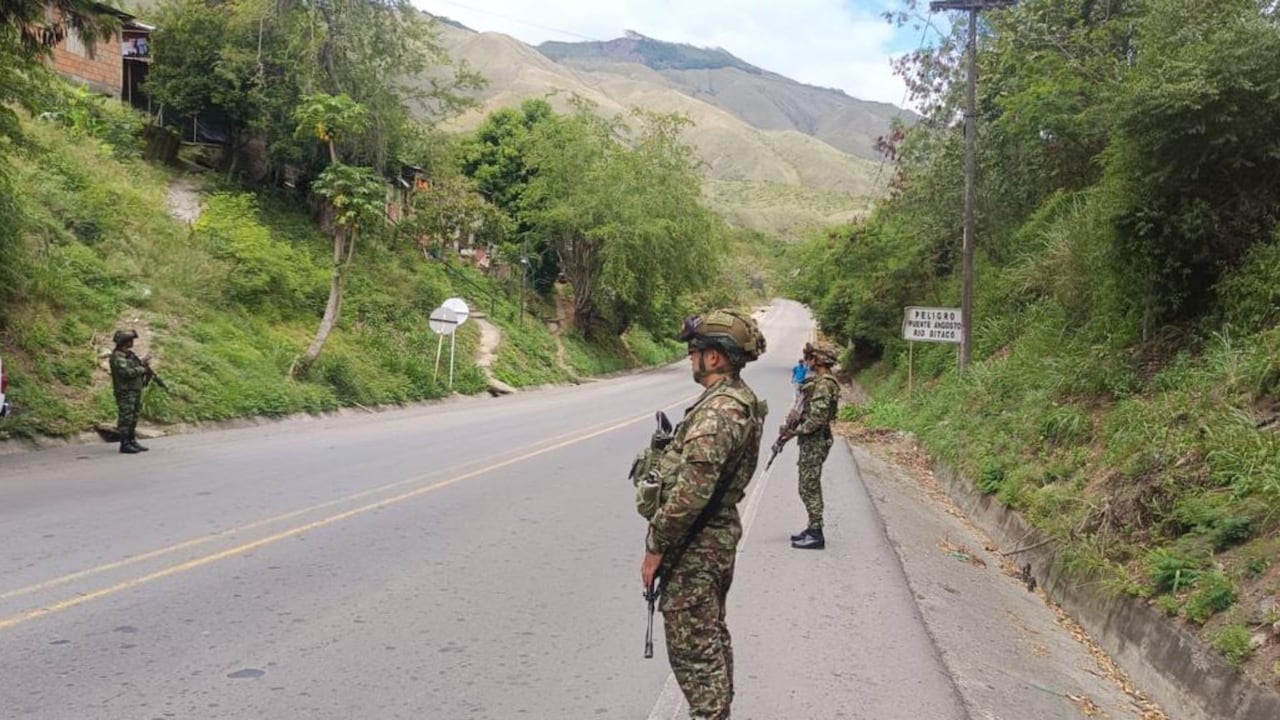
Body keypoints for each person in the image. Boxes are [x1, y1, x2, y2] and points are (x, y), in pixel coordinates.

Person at [640, 309, 767, 720]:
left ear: (714, 357)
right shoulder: (734, 400)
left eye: (695, 351)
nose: (690, 358)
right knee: (709, 638)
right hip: (711, 539)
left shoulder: (718, 413)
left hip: (698, 544)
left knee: (695, 653)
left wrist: (656, 546)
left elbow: (691, 494)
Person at [781, 340, 841, 550]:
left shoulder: (824, 384)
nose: (807, 361)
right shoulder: (820, 382)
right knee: (807, 484)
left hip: (815, 441)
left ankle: (816, 532)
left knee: (809, 486)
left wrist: (794, 432)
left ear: (819, 360)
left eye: (810, 357)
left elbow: (817, 419)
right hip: (812, 441)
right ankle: (812, 527)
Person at [109, 328, 152, 454]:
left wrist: (143, 363)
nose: (132, 342)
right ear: (125, 341)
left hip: (134, 390)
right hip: (125, 392)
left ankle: (132, 440)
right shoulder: (118, 357)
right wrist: (142, 370)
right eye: (130, 340)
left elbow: (134, 366)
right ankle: (125, 443)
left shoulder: (129, 355)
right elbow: (126, 373)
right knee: (126, 418)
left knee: (133, 416)